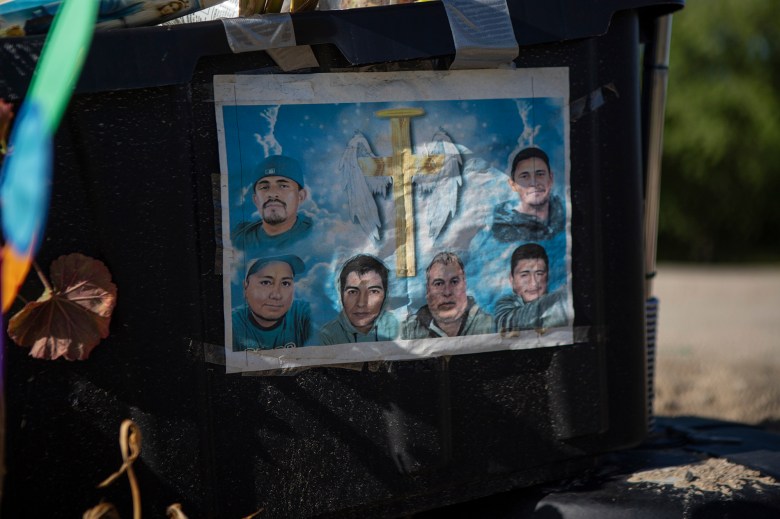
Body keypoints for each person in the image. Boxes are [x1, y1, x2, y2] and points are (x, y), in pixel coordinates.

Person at [231, 154, 313, 252]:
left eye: (283, 186)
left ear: (301, 196)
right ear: (256, 199)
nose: (272, 193)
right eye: (264, 187)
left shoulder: (316, 234)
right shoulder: (238, 238)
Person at [402, 252, 494, 339]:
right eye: (438, 284)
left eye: (454, 282)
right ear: (428, 289)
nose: (447, 292)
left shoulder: (491, 325)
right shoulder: (409, 330)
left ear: (465, 285)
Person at [232, 255, 312, 351]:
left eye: (285, 283)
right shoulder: (231, 324)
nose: (276, 295)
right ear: (245, 287)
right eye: (266, 282)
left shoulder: (302, 313)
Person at [319, 254, 399, 345]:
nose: (361, 303)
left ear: (385, 295)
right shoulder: (326, 337)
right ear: (341, 294)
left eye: (373, 291)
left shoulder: (400, 328)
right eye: (353, 292)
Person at [492, 146, 565, 242]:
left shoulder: (563, 209)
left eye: (540, 174)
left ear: (551, 179)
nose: (534, 183)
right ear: (513, 185)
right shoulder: (504, 231)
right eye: (524, 176)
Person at [494, 243, 570, 332]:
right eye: (524, 275)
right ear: (512, 280)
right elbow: (507, 323)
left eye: (539, 274)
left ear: (547, 276)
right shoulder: (506, 305)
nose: (533, 283)